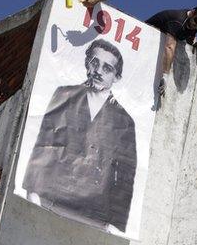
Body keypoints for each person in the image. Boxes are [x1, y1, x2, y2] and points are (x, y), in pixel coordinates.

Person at [23, 39, 137, 233]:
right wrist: (32, 190)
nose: (98, 71)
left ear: (116, 77)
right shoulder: (64, 95)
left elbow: (126, 173)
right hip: (52, 195)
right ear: (87, 63)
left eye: (107, 68)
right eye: (95, 62)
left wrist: (114, 223)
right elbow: (44, 142)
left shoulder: (125, 120)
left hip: (94, 210)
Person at [146, 5, 197, 73]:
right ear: (192, 13)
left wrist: (195, 45)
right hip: (145, 37)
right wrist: (165, 75)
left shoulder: (194, 23)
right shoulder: (178, 21)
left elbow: (191, 38)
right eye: (196, 20)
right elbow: (170, 47)